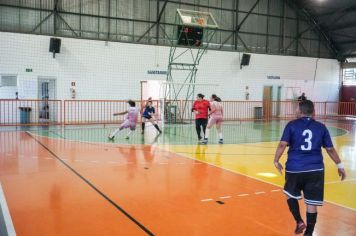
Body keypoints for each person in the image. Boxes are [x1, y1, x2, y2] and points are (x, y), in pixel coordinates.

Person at [273, 100, 346, 236]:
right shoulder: (321, 127)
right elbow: (329, 148)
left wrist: (276, 160)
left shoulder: (291, 125)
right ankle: (309, 233)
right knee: (311, 203)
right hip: (315, 169)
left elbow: (283, 144)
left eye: (296, 109)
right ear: (313, 112)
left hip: (295, 168)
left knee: (289, 194)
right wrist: (340, 165)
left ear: (300, 111)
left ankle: (299, 221)